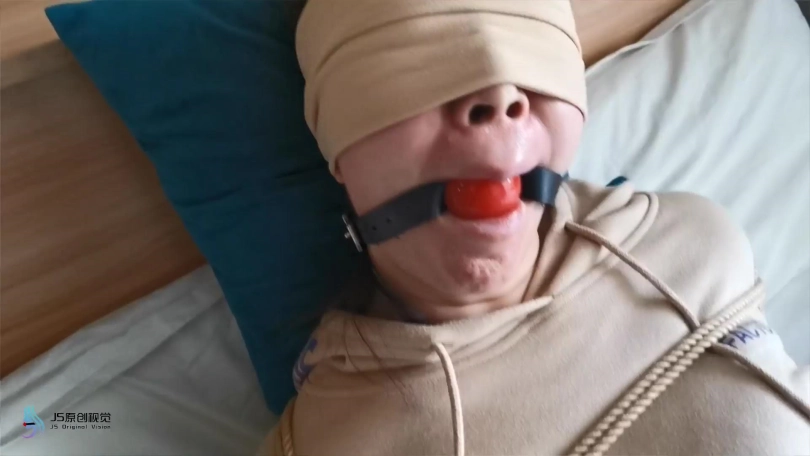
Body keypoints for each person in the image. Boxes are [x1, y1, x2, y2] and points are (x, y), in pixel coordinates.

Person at [261, 0, 810, 454]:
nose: (500, 93)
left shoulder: (694, 244)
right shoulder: (321, 441)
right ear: (331, 136)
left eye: (527, 29)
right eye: (415, 45)